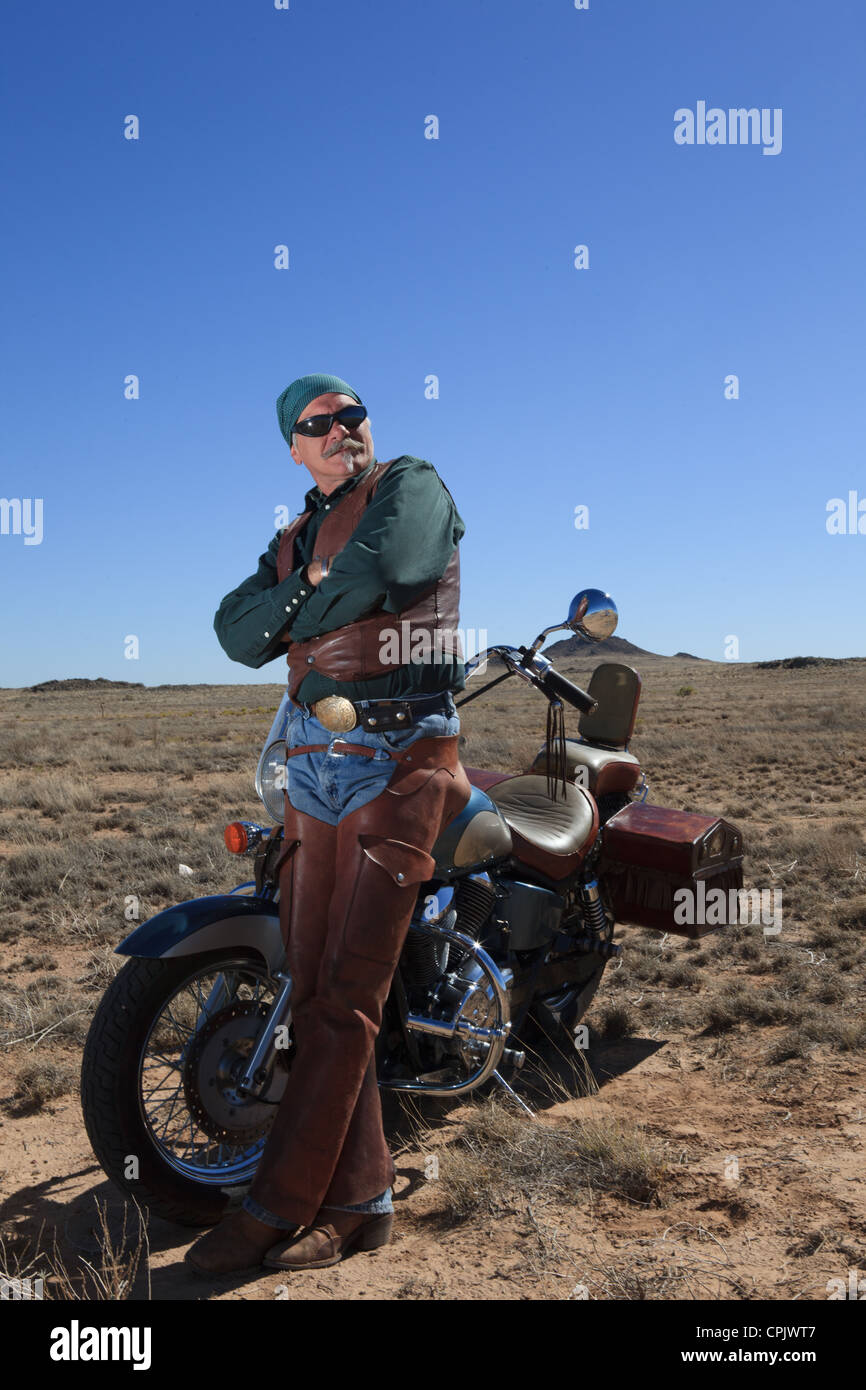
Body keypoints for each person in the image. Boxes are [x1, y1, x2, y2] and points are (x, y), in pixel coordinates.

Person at [187, 373, 472, 1275]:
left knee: (346, 995)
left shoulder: (411, 485)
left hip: (398, 755)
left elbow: (390, 572)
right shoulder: (294, 538)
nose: (343, 428)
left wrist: (299, 608)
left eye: (353, 414)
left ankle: (277, 1205)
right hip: (313, 760)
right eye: (320, 423)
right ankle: (362, 1202)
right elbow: (234, 634)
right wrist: (314, 580)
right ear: (295, 446)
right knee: (314, 989)